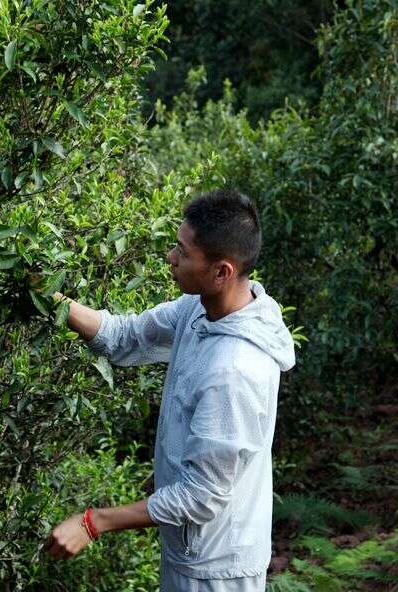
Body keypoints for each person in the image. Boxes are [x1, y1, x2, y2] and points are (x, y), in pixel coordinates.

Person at [42, 188, 296, 591]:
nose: (170, 258)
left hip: (218, 571)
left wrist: (95, 522)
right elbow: (125, 336)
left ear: (221, 271)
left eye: (183, 252)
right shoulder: (199, 309)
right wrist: (50, 300)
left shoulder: (235, 369)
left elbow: (201, 496)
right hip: (189, 552)